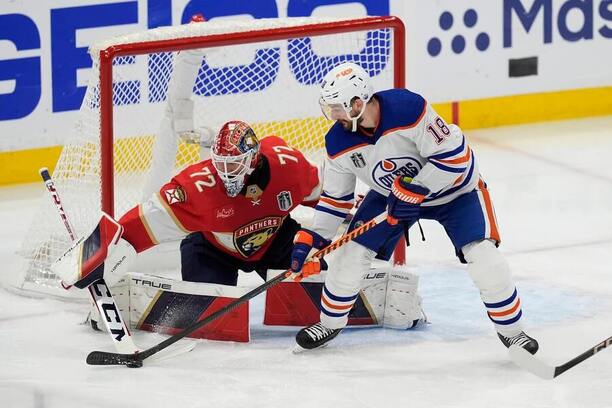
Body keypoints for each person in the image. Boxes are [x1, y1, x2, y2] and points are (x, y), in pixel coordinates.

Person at [290, 62, 539, 354]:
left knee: (485, 258)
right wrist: (314, 238)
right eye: (328, 108)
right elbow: (336, 199)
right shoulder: (338, 142)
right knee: (350, 255)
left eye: (337, 108)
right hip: (390, 197)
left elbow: (455, 158)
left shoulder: (407, 109)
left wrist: (414, 188)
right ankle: (330, 323)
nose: (332, 116)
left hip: (454, 192)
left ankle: (513, 332)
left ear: (357, 103)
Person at [52, 120, 325, 303]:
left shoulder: (287, 165)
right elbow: (144, 222)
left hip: (276, 240)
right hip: (213, 252)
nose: (224, 173)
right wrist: (95, 255)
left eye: (233, 165)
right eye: (220, 164)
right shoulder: (197, 188)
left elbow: (325, 196)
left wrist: (353, 214)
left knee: (317, 289)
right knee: (210, 314)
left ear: (253, 158)